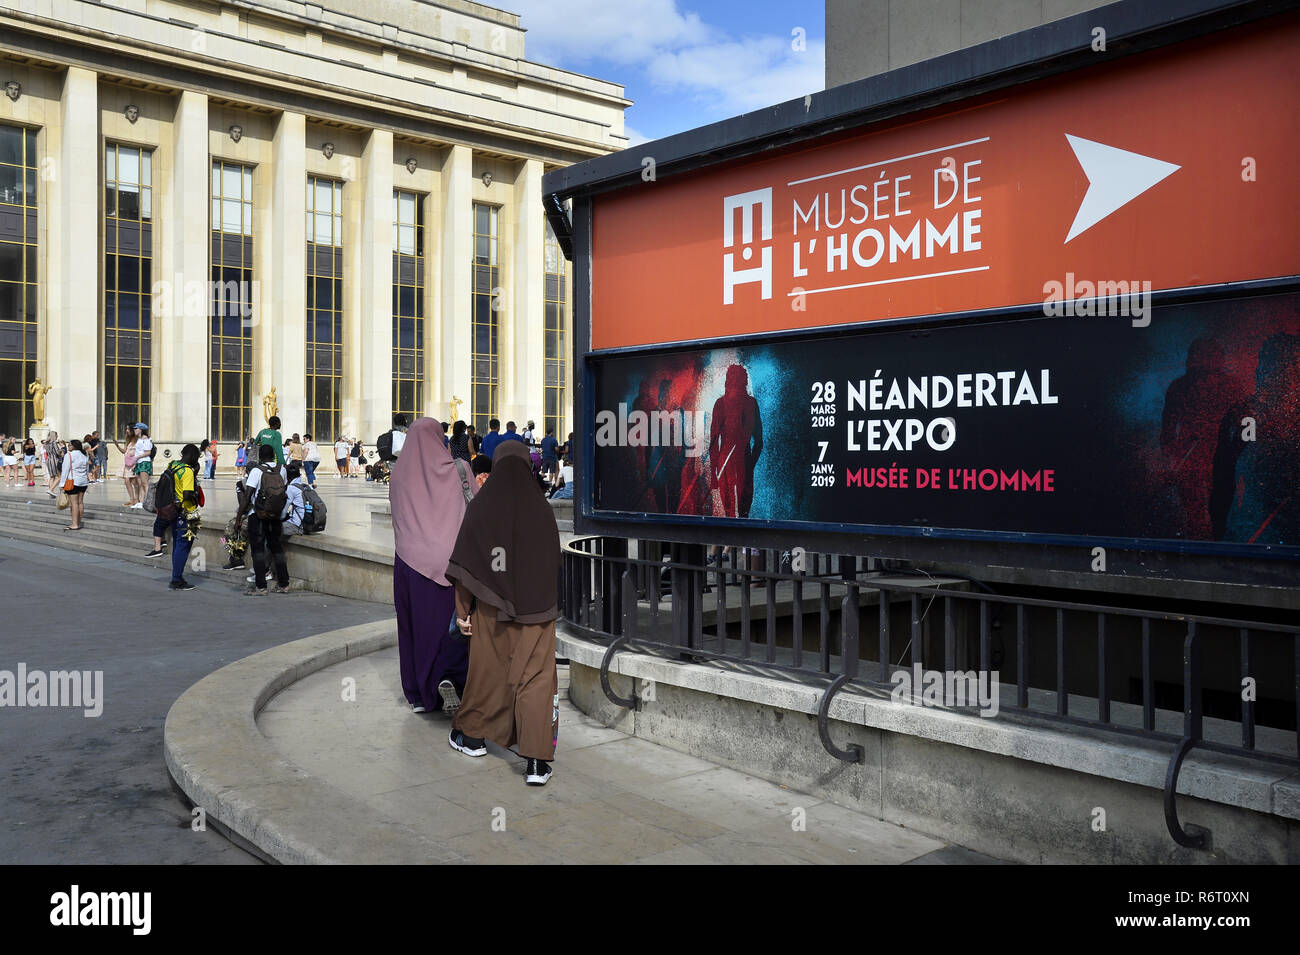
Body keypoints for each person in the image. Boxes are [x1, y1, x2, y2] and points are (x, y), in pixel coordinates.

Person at [447, 440, 561, 786]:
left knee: (487, 674)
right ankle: (537, 762)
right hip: (537, 615)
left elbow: (469, 561)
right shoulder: (541, 509)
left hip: (492, 611)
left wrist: (463, 610)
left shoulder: (482, 508)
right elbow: (552, 563)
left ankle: (474, 739)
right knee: (537, 682)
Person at [391, 418, 477, 716]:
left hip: (409, 562)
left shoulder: (398, 474)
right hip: (452, 563)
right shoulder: (460, 470)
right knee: (452, 627)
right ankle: (449, 678)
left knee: (414, 627)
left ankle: (418, 695)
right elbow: (475, 509)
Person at [235, 444, 290, 595]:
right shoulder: (282, 469)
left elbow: (247, 496)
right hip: (275, 516)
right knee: (277, 548)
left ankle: (261, 587)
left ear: (260, 456)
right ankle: (284, 584)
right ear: (273, 455)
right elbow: (283, 491)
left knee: (258, 551)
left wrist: (238, 518)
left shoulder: (256, 471)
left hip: (257, 516)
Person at [159, 443, 202, 591]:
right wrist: (195, 494)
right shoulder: (187, 471)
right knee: (183, 546)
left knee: (178, 545)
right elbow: (187, 494)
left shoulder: (173, 465)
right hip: (186, 513)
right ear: (194, 457)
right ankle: (176, 579)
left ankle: (177, 576)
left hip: (173, 510)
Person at [59, 438, 91, 530]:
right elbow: (87, 469)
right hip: (83, 481)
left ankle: (74, 524)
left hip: (73, 481)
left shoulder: (69, 455)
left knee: (74, 504)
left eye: (69, 445)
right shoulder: (84, 454)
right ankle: (78, 522)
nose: (68, 446)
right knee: (80, 503)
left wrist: (62, 484)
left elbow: (65, 470)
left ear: (73, 446)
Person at [129, 423, 155, 510]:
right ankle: (141, 502)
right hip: (139, 462)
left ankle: (147, 502)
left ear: (141, 429)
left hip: (144, 462)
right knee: (140, 483)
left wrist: (137, 457)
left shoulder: (146, 439)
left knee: (145, 483)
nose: (135, 430)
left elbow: (148, 452)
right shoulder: (139, 439)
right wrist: (135, 463)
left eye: (136, 428)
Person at [282, 463, 307, 537]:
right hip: (307, 524)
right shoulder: (306, 487)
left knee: (270, 528)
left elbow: (283, 511)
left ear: (288, 477)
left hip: (297, 526)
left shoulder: (291, 488)